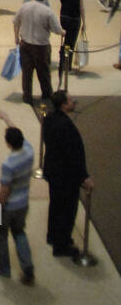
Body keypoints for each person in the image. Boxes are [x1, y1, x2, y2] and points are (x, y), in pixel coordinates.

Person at [42, 90, 93, 258]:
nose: (73, 102)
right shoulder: (65, 127)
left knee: (55, 207)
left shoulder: (49, 119)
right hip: (65, 176)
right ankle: (61, 245)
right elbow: (73, 155)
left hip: (53, 170)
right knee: (67, 211)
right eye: (70, 100)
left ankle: (53, 236)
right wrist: (83, 176)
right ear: (63, 105)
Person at [0, 113, 36, 284]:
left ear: (8, 144)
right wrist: (7, 119)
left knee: (1, 236)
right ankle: (27, 265)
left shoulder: (8, 164)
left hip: (8, 206)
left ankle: (4, 269)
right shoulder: (30, 151)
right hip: (23, 202)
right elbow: (19, 133)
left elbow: (5, 189)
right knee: (19, 232)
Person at [13, 0, 63, 103]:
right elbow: (57, 29)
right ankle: (46, 95)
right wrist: (63, 32)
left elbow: (15, 22)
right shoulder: (48, 12)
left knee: (27, 73)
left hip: (25, 44)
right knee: (44, 73)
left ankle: (27, 96)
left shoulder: (24, 7)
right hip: (41, 47)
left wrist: (16, 37)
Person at [56, 0, 85, 81]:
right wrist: (84, 22)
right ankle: (67, 65)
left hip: (64, 18)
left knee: (65, 40)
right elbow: (81, 8)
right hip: (74, 19)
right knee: (71, 43)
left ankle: (62, 60)